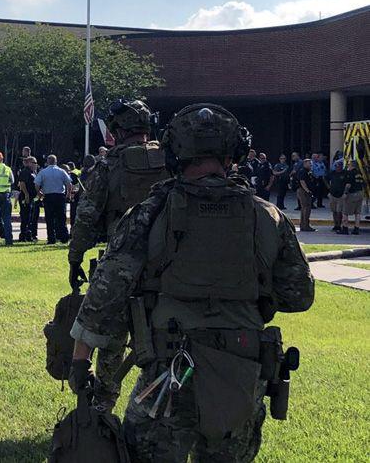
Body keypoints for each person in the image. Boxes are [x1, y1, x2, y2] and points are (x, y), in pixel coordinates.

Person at [68, 103, 314, 462]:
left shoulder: (150, 213)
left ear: (174, 152)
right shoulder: (266, 215)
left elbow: (105, 294)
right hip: (241, 372)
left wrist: (79, 360)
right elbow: (299, 295)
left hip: (169, 373)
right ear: (235, 153)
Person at [66, 99, 169, 411]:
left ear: (117, 130)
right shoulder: (172, 160)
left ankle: (103, 404)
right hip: (169, 264)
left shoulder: (108, 165)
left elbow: (86, 218)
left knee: (111, 337)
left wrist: (75, 258)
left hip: (121, 261)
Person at [34, 155, 73, 244]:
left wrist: (39, 192)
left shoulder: (43, 172)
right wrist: (68, 194)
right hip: (60, 196)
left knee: (49, 218)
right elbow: (69, 184)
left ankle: (51, 238)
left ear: (47, 162)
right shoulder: (61, 171)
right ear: (56, 161)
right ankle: (64, 237)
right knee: (61, 218)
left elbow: (36, 184)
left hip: (48, 197)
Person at [17, 156, 40, 242]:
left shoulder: (33, 172)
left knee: (30, 217)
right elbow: (22, 183)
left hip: (32, 198)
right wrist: (26, 194)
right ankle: (23, 236)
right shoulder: (25, 172)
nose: (36, 165)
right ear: (29, 163)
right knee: (25, 217)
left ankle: (29, 235)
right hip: (25, 197)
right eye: (34, 163)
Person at [342, 159, 365, 234]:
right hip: (360, 193)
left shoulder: (350, 173)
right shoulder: (359, 173)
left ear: (352, 165)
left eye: (349, 164)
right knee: (357, 213)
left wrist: (345, 193)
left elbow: (348, 184)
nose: (348, 166)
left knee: (345, 212)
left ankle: (345, 229)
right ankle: (356, 229)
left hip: (352, 194)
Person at [327, 159, 347, 233]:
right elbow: (325, 178)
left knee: (339, 211)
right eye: (336, 166)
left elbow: (348, 184)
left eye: (338, 166)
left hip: (341, 195)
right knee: (334, 211)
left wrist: (345, 193)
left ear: (341, 166)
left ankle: (339, 225)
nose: (337, 167)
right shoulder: (332, 173)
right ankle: (335, 225)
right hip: (332, 195)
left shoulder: (345, 174)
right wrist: (328, 187)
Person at [295, 158, 315, 232]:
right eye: (309, 163)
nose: (311, 165)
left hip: (306, 191)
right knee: (306, 208)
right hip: (303, 191)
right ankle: (305, 226)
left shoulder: (308, 171)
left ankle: (304, 225)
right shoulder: (302, 171)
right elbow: (302, 182)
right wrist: (307, 191)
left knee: (306, 208)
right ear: (305, 164)